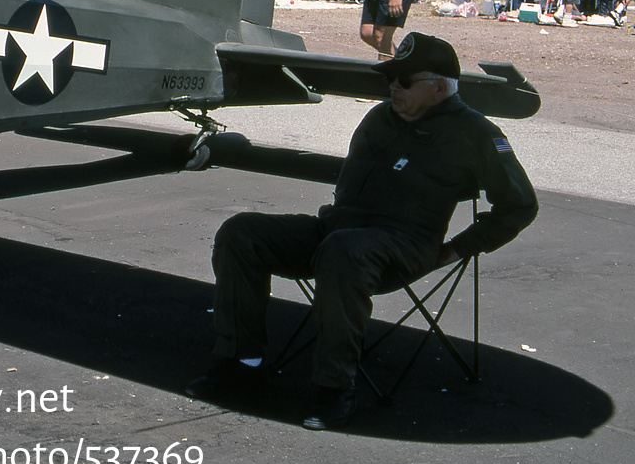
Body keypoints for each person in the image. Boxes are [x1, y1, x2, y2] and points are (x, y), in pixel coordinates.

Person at [186, 33, 538, 430]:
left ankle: (335, 388)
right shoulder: (379, 118)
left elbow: (520, 205)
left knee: (344, 251)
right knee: (241, 232)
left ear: (439, 87)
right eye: (390, 78)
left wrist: (457, 249)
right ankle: (242, 362)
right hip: (337, 231)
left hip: (404, 245)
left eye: (405, 81)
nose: (393, 87)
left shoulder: (475, 133)